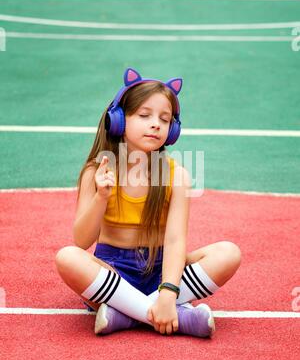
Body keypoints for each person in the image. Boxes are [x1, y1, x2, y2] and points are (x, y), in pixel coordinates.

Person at [55, 67, 241, 338]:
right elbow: (82, 241)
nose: (156, 124)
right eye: (144, 115)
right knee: (67, 258)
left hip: (163, 269)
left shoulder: (177, 175)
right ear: (118, 120)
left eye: (164, 120)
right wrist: (101, 197)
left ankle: (128, 315)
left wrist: (168, 291)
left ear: (173, 130)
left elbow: (176, 240)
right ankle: (169, 316)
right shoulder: (95, 172)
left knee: (228, 253)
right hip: (114, 274)